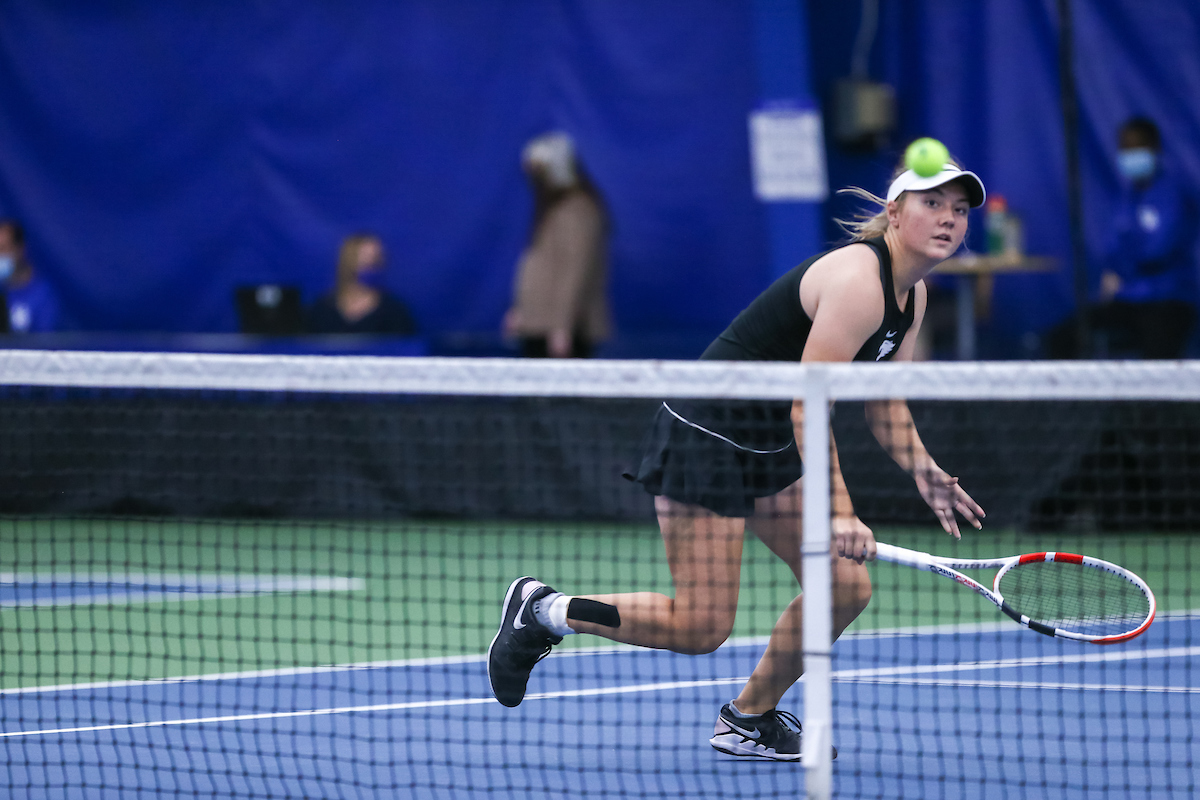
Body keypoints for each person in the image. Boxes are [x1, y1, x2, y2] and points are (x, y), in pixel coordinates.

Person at [487, 155, 989, 760]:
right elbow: (811, 404)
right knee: (701, 626)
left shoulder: (914, 296)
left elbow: (883, 403)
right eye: (932, 204)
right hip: (710, 432)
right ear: (893, 213)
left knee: (844, 585)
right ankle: (544, 610)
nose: (948, 220)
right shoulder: (860, 280)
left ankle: (747, 719)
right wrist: (840, 512)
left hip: (768, 436)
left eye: (959, 211)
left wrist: (924, 471)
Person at [1046, 116, 1199, 359]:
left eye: (1137, 147)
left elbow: (1157, 251)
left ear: (1155, 149)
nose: (1130, 155)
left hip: (1169, 299)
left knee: (1157, 360)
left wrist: (1120, 269)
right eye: (1124, 148)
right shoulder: (1126, 197)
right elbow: (1111, 248)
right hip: (1127, 299)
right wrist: (1118, 268)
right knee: (1063, 336)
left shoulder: (1174, 195)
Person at [504, 131, 611, 358]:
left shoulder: (579, 211)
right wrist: (522, 310)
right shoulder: (552, 209)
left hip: (560, 332)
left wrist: (562, 327)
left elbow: (576, 271)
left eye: (540, 172)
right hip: (539, 326)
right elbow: (538, 264)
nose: (535, 181)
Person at [306, 233, 418, 335]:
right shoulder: (321, 310)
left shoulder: (394, 312)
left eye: (375, 259)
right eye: (363, 258)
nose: (370, 264)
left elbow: (405, 350)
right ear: (346, 262)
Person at [0, 219, 62, 333]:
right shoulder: (2, 290)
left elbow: (46, 345)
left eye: (3, 249)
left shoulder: (43, 294)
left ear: (20, 250)